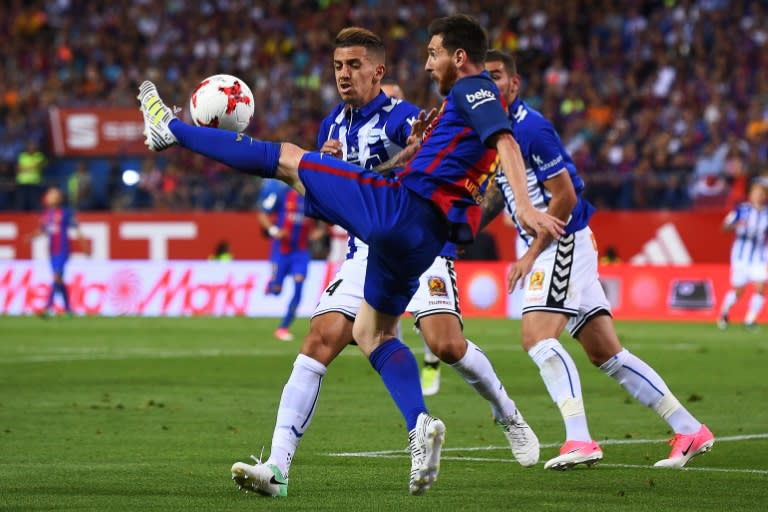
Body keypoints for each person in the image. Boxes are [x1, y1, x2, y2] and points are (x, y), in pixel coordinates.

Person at [138, 15, 561, 495]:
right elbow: (438, 155)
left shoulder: (421, 108)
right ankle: (287, 464)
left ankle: (170, 127)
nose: (343, 73)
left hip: (405, 218)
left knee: (287, 160)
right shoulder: (339, 124)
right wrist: (336, 168)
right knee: (356, 334)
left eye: (354, 64)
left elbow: (495, 140)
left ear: (378, 72)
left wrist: (521, 205)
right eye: (338, 65)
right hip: (382, 238)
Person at [480, 49, 714, 470]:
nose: (490, 84)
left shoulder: (531, 128)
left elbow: (566, 195)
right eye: (484, 78)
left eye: (497, 76)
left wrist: (530, 254)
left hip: (560, 241)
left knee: (537, 337)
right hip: (555, 244)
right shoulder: (493, 133)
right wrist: (468, 227)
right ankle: (690, 428)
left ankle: (579, 439)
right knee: (606, 353)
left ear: (514, 84)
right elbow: (503, 192)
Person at [256, 179, 323, 341]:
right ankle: (272, 285)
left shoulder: (312, 198)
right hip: (281, 250)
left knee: (299, 285)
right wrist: (274, 230)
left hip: (300, 252)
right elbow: (262, 213)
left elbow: (324, 221)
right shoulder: (281, 194)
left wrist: (319, 232)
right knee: (277, 291)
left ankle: (283, 327)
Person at [25, 187, 85, 317]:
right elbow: (42, 230)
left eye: (55, 195)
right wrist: (30, 236)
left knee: (56, 277)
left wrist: (84, 244)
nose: (53, 197)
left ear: (60, 198)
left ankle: (48, 307)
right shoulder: (45, 214)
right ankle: (69, 309)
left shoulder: (66, 212)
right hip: (52, 251)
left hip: (63, 250)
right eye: (51, 195)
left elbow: (76, 227)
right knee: (59, 280)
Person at [718, 181, 768, 329]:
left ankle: (750, 320)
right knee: (738, 291)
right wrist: (736, 225)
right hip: (740, 257)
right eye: (756, 192)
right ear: (750, 195)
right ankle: (725, 312)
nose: (758, 195)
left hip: (759, 257)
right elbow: (724, 227)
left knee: (760, 288)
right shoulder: (741, 210)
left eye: (762, 193)